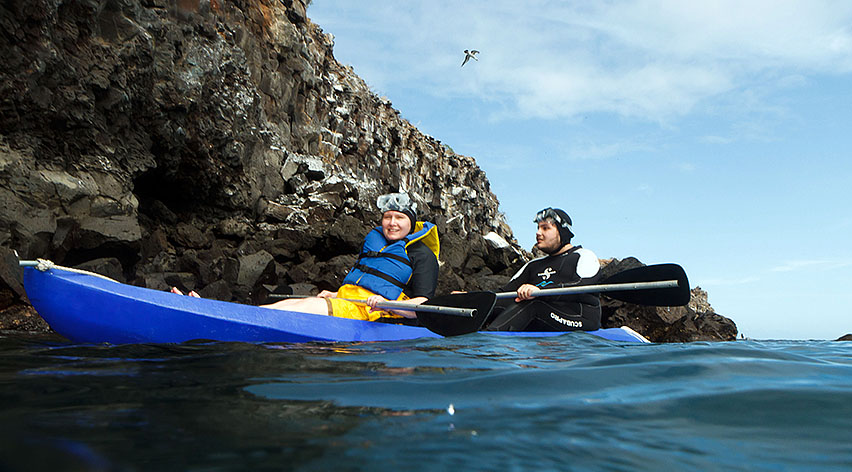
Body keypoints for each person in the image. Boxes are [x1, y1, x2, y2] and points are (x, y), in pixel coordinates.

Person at [175, 193, 440, 321]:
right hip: (349, 300)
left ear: (411, 222)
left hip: (378, 313)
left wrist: (385, 304)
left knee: (304, 308)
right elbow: (365, 282)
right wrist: (337, 294)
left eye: (400, 218)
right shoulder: (377, 242)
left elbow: (422, 306)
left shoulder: (421, 254)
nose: (392, 223)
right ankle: (212, 312)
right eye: (387, 217)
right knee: (293, 304)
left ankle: (216, 315)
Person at [484, 207, 602, 331]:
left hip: (580, 319)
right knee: (492, 303)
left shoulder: (584, 255)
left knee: (533, 304)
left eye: (545, 228)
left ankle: (489, 343)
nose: (538, 233)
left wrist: (539, 291)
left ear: (562, 232)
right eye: (538, 228)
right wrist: (470, 298)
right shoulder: (533, 265)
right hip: (545, 313)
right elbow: (504, 292)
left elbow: (581, 286)